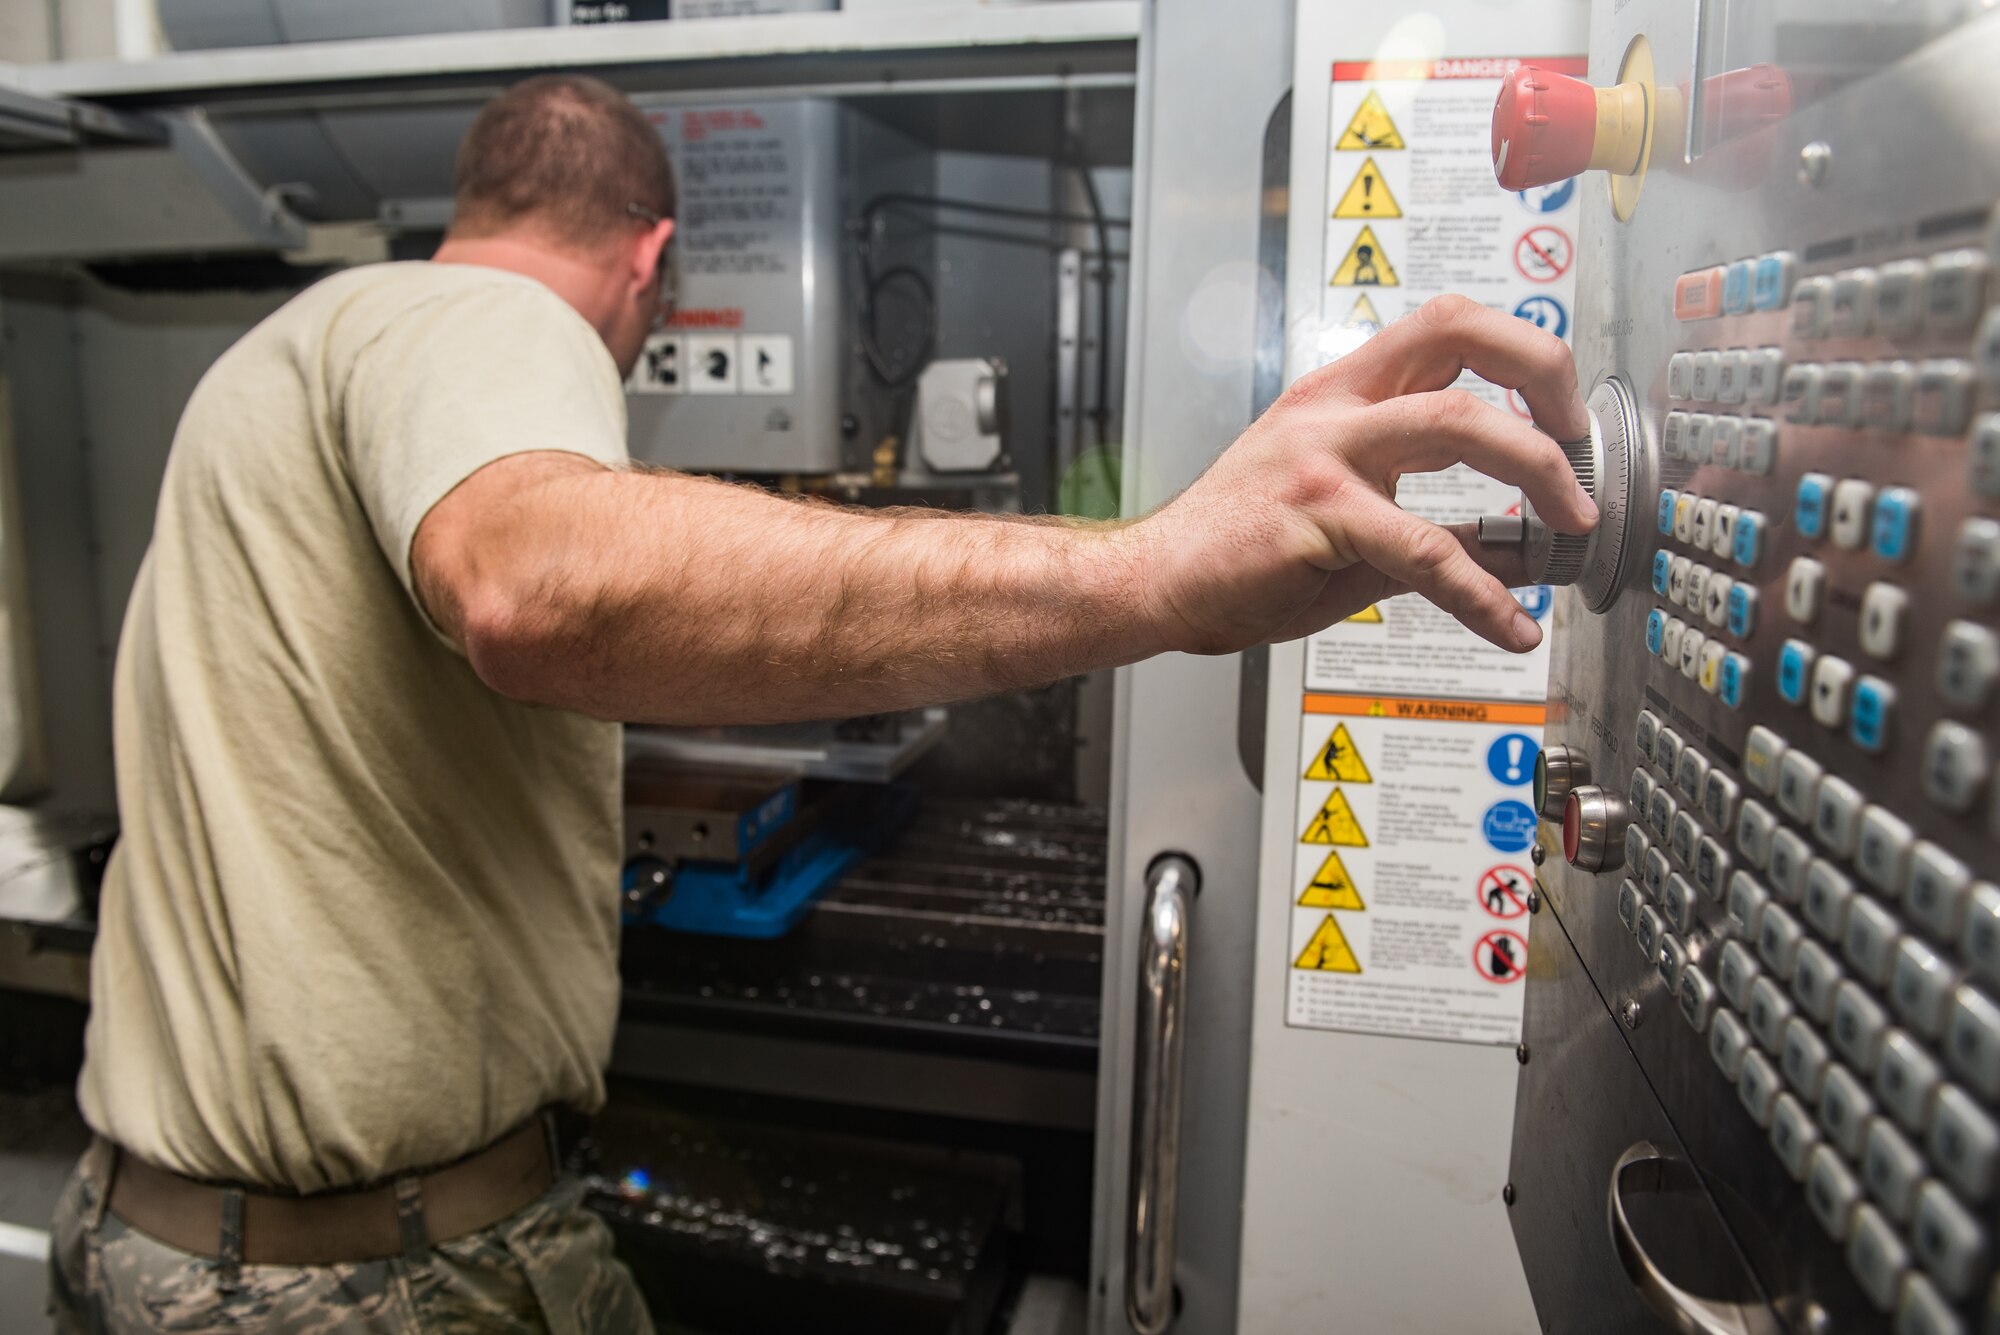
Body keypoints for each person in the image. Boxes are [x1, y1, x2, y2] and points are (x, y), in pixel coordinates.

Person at [49, 73, 1595, 1333]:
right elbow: (535, 586)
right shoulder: (486, 323)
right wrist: (1159, 574)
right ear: (651, 260)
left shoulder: (289, 346)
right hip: (354, 1283)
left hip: (172, 1231)